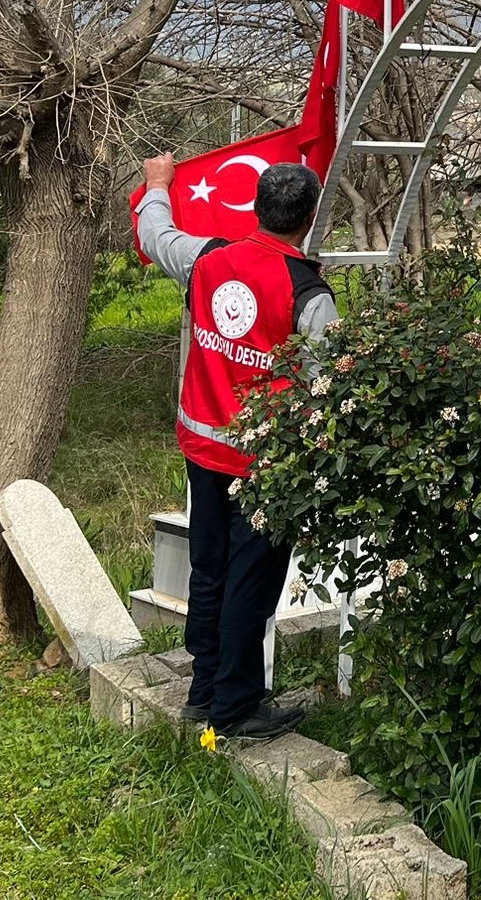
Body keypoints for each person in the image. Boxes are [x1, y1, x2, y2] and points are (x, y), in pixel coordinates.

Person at [136, 154, 338, 742]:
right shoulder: (308, 294)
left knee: (210, 570)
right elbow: (327, 386)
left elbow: (155, 234)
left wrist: (156, 184)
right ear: (309, 217)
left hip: (202, 452)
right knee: (250, 583)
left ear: (255, 206)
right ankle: (237, 707)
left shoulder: (208, 259)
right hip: (263, 469)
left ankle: (204, 691)